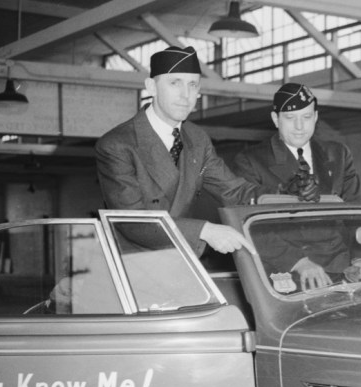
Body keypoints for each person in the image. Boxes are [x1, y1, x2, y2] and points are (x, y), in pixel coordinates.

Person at [95, 45, 261, 258]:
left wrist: (287, 195)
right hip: (132, 265)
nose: (186, 95)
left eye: (192, 85)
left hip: (182, 260)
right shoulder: (117, 144)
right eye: (175, 83)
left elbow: (235, 192)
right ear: (151, 87)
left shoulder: (197, 139)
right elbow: (134, 222)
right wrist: (204, 230)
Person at [233, 82, 361, 289]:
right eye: (290, 118)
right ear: (275, 119)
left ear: (315, 117)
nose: (299, 126)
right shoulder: (250, 160)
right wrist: (298, 262)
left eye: (306, 117)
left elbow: (360, 210)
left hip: (340, 268)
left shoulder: (338, 154)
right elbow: (248, 224)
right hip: (285, 271)